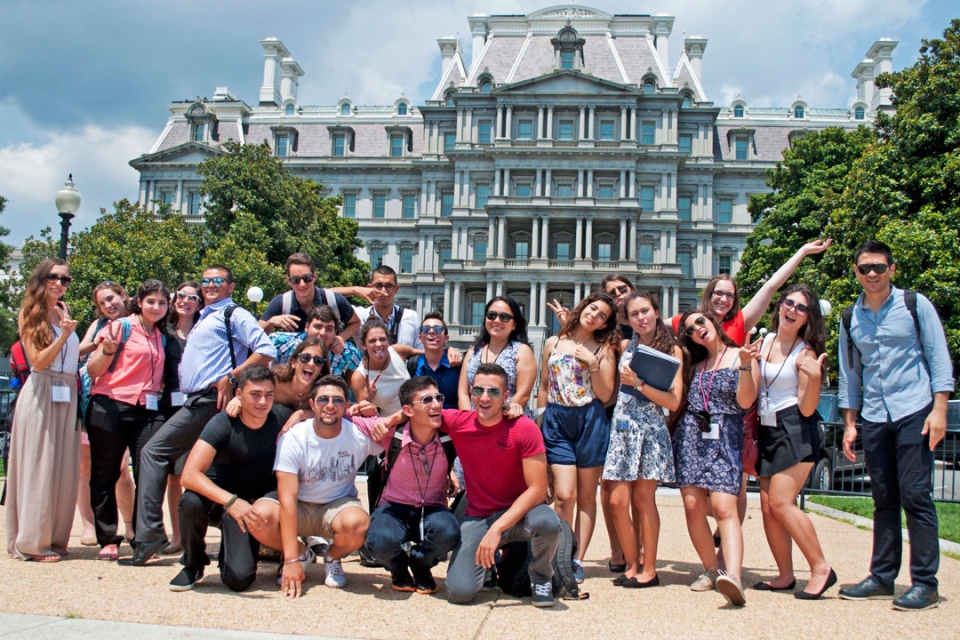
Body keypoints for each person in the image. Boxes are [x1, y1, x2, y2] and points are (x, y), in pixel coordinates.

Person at [122, 265, 277, 566]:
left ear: (231, 286)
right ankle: (203, 543)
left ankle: (150, 535)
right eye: (205, 281)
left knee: (154, 452)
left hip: (209, 401)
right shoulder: (205, 318)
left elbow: (266, 348)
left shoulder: (233, 314)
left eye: (218, 280)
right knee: (203, 472)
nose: (210, 285)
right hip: (196, 400)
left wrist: (231, 378)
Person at [837, 240, 954, 611]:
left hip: (914, 410)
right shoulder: (849, 316)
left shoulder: (915, 305)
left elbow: (938, 357)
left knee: (916, 496)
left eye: (879, 267)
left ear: (892, 269)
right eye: (865, 268)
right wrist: (849, 422)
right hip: (873, 414)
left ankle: (925, 583)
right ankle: (882, 577)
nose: (872, 274)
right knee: (882, 498)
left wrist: (940, 409)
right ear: (856, 272)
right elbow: (849, 373)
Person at [252, 375, 384, 597]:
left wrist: (376, 418)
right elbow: (287, 499)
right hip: (299, 504)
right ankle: (303, 554)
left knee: (359, 524)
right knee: (257, 517)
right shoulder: (294, 437)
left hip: (337, 506)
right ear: (312, 404)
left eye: (338, 400)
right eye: (323, 399)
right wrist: (292, 559)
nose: (330, 405)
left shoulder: (359, 435)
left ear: (347, 406)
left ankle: (332, 557)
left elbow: (397, 438)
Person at [442, 364, 561, 607]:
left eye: (494, 392)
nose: (485, 398)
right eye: (478, 391)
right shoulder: (459, 422)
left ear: (506, 396)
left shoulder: (524, 428)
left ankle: (541, 577)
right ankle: (488, 564)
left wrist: (496, 529)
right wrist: (392, 417)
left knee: (547, 522)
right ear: (471, 393)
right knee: (459, 591)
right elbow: (422, 411)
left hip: (520, 515)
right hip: (479, 515)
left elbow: (538, 490)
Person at [754, 285, 836, 599]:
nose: (792, 310)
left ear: (807, 319)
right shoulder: (764, 342)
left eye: (801, 308)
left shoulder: (806, 353)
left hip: (796, 429)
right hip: (767, 429)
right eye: (789, 303)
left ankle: (820, 568)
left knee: (781, 503)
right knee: (767, 507)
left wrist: (814, 376)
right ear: (780, 307)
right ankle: (785, 575)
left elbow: (807, 407)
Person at [169, 365, 281, 592]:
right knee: (190, 502)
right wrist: (230, 501)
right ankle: (193, 564)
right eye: (255, 395)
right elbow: (189, 475)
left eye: (268, 395)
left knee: (239, 580)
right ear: (238, 395)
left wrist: (300, 413)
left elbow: (316, 413)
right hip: (219, 502)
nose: (262, 402)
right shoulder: (223, 422)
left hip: (250, 506)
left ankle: (229, 556)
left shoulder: (280, 418)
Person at [674, 311, 759, 607]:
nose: (697, 329)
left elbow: (746, 402)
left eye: (700, 322)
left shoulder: (740, 355)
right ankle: (711, 570)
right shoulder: (694, 365)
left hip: (725, 436)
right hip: (691, 437)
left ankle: (732, 577)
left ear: (713, 322)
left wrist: (747, 365)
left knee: (725, 508)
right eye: (690, 329)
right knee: (693, 505)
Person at [85, 280, 170, 562]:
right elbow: (93, 369)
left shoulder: (161, 335)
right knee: (105, 473)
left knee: (148, 472)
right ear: (138, 301)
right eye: (151, 301)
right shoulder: (119, 327)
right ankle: (108, 538)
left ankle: (143, 538)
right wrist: (107, 351)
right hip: (110, 406)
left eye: (161, 302)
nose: (156, 307)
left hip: (146, 410)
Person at [602, 291, 682, 588]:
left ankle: (649, 569)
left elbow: (673, 402)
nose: (641, 318)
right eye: (634, 314)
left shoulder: (671, 350)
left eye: (645, 311)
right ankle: (632, 563)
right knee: (618, 500)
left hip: (650, 429)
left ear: (656, 312)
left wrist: (640, 383)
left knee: (643, 499)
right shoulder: (627, 345)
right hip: (623, 430)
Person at [537, 292, 618, 582]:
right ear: (584, 307)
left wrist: (593, 364)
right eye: (592, 308)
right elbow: (545, 385)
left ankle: (576, 559)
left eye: (602, 316)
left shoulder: (604, 349)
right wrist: (541, 419)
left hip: (590, 421)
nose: (594, 315)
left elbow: (607, 394)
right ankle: (557, 553)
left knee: (585, 496)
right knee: (563, 494)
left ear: (604, 324)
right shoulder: (553, 342)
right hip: (557, 419)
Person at [5, 258, 80, 562]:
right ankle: (33, 542)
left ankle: (55, 537)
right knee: (40, 465)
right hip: (42, 391)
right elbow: (38, 361)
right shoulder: (30, 313)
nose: (60, 283)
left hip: (67, 392)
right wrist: (63, 335)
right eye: (54, 277)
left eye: (65, 279)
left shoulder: (63, 311)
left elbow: (70, 356)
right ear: (41, 278)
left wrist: (100, 345)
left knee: (63, 467)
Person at [363, 377, 461, 593]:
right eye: (426, 400)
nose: (436, 405)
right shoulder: (391, 433)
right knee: (379, 542)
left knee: (449, 532)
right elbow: (348, 418)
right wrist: (356, 406)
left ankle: (420, 564)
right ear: (408, 410)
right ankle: (399, 570)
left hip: (433, 508)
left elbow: (481, 420)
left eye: (439, 398)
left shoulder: (449, 435)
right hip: (394, 508)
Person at [670, 239, 832, 346]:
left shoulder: (740, 321)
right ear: (710, 295)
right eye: (719, 293)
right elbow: (652, 322)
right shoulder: (693, 322)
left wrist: (801, 252)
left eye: (729, 295)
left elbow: (770, 286)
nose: (723, 299)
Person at [77, 281, 136, 547]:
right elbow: (80, 351)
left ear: (123, 296)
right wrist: (97, 345)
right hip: (94, 401)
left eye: (111, 298)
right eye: (102, 302)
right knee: (87, 466)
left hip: (126, 403)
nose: (108, 305)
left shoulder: (138, 322)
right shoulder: (99, 326)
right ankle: (89, 525)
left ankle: (130, 525)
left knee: (122, 469)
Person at [159, 281, 205, 555]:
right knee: (174, 476)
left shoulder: (205, 331)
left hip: (200, 407)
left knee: (198, 472)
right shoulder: (163, 333)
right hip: (170, 407)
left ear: (199, 304)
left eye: (192, 297)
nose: (186, 300)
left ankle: (195, 536)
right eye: (181, 295)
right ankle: (177, 535)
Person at [259, 252, 360, 344]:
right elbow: (256, 335)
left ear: (314, 276)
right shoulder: (281, 303)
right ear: (289, 281)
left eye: (307, 278)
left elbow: (355, 322)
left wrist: (341, 338)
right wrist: (271, 322)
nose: (302, 284)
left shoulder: (333, 300)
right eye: (295, 280)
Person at [459, 296, 537, 411]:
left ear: (514, 324)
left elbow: (523, 395)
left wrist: (494, 421)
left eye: (504, 317)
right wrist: (469, 420)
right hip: (474, 421)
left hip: (508, 421)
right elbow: (463, 393)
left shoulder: (522, 351)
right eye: (491, 315)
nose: (496, 320)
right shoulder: (473, 351)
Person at [351, 265, 422, 348]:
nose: (383, 291)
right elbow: (331, 298)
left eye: (388, 285)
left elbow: (420, 353)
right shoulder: (360, 316)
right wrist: (354, 290)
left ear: (396, 288)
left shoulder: (411, 317)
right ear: (369, 288)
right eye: (378, 285)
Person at [352, 318, 411, 416]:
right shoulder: (359, 376)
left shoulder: (398, 351)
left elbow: (428, 355)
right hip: (391, 425)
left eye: (382, 339)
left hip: (414, 417)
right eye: (372, 341)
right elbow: (362, 414)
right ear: (363, 345)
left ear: (388, 340)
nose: (378, 344)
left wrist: (446, 351)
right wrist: (369, 397)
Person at [405, 312, 461, 409]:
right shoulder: (413, 364)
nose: (431, 332)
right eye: (426, 329)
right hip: (423, 421)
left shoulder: (457, 364)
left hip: (452, 421)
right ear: (420, 338)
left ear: (446, 338)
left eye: (438, 329)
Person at [306, 305, 362, 384]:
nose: (322, 333)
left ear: (335, 332)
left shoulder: (345, 352)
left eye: (329, 329)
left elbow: (360, 364)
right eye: (318, 327)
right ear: (307, 327)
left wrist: (344, 390)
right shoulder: (287, 345)